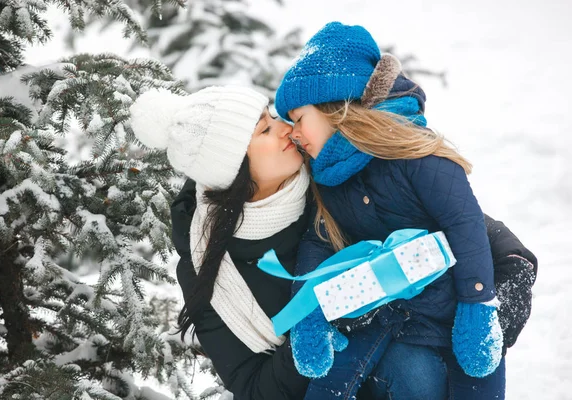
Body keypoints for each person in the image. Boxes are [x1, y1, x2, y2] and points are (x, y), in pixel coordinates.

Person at [128, 84, 537, 400]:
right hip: (349, 384)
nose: (287, 129)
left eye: (276, 117)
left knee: (422, 365)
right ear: (236, 169)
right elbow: (252, 388)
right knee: (408, 365)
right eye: (267, 129)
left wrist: (500, 292)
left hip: (432, 354)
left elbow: (468, 228)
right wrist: (331, 313)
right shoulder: (210, 269)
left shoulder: (333, 178)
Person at [274, 22, 537, 400]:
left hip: (451, 321)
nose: (294, 134)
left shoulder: (417, 156)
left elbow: (465, 226)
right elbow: (320, 241)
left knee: (473, 375)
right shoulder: (329, 179)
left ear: (336, 108)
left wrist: (477, 307)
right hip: (392, 324)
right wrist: (307, 316)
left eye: (299, 119)